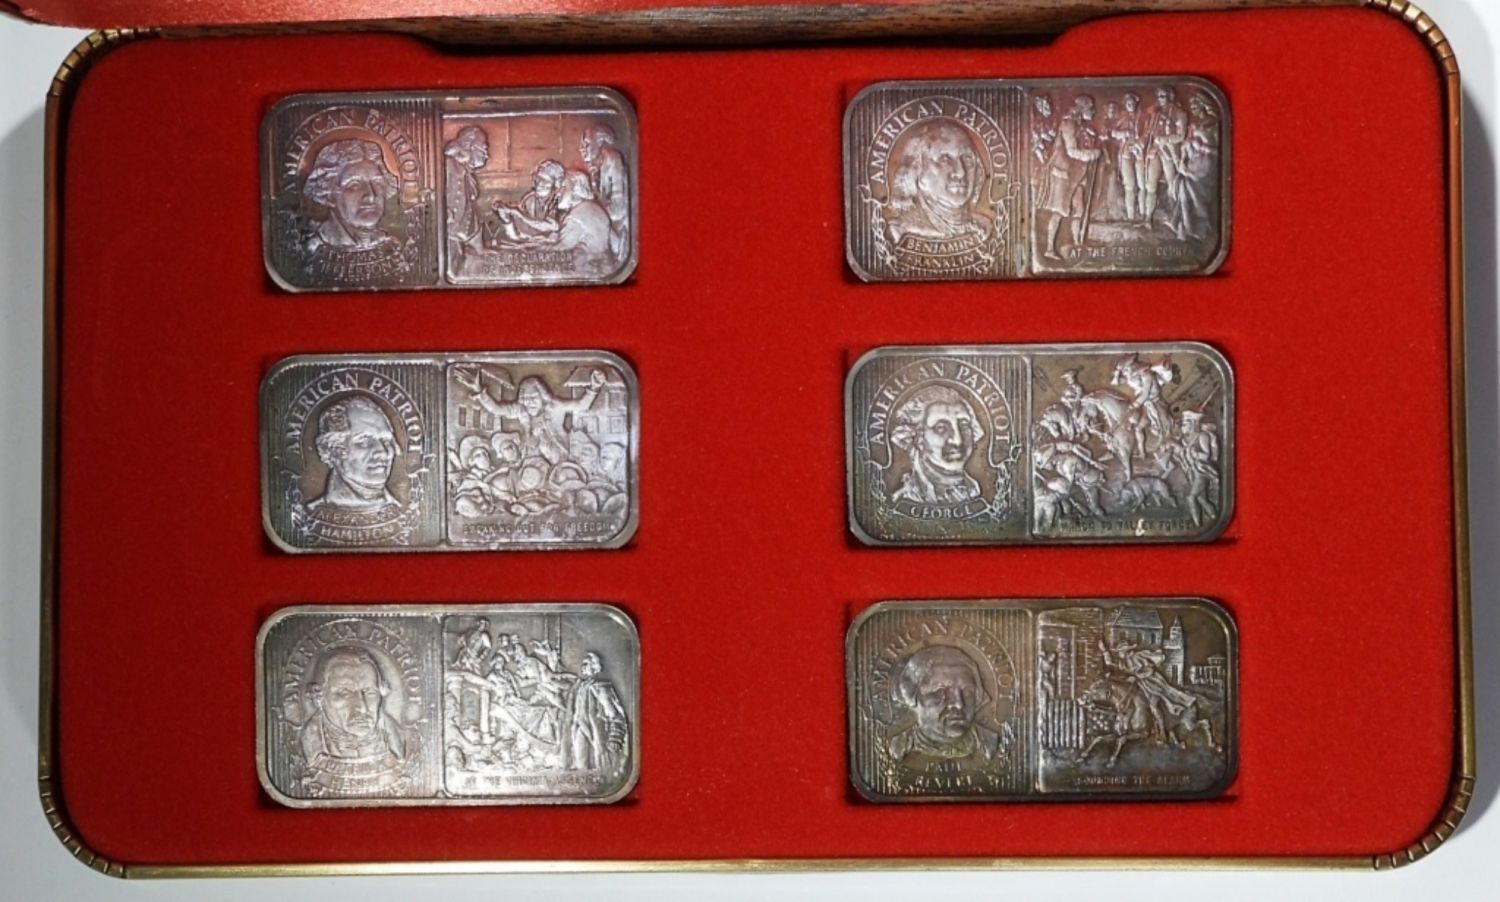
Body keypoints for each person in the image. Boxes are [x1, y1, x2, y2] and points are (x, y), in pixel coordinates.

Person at [299, 649, 413, 794]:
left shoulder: (399, 740)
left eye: (370, 692)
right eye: (345, 693)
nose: (362, 707)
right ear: (319, 697)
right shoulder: (310, 743)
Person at [887, 645, 1001, 767]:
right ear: (912, 696)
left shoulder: (990, 742)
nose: (958, 704)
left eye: (968, 692)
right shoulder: (899, 746)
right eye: (940, 692)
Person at [467, 370, 605, 470]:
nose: (529, 403)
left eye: (533, 397)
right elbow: (496, 409)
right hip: (531, 466)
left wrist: (595, 387)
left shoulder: (554, 407)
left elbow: (581, 405)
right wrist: (479, 391)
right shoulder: (521, 410)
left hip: (558, 460)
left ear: (543, 396)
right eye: (526, 399)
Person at [885, 120, 993, 244]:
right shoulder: (900, 231)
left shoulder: (985, 227)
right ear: (917, 168)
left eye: (967, 159)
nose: (960, 172)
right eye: (944, 160)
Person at [889, 383, 986, 505]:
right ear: (918, 438)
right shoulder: (905, 498)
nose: (957, 440)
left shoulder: (975, 491)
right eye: (941, 428)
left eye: (964, 425)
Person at [302, 139, 401, 253]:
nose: (371, 196)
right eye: (354, 185)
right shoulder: (314, 247)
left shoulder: (390, 244)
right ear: (329, 195)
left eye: (377, 183)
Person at [1035, 94, 1102, 261]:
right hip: (1064, 174)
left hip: (1077, 174)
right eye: (1091, 108)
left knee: (1079, 209)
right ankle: (1050, 248)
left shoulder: (1080, 125)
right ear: (1082, 108)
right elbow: (1072, 151)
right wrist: (1091, 154)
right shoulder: (1069, 124)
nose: (1094, 111)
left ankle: (1078, 243)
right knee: (1059, 211)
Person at [310, 396, 400, 517]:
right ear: (335, 449)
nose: (383, 452)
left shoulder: (407, 509)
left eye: (387, 441)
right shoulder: (310, 512)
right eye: (365, 441)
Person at [565, 652, 629, 773]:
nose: (582, 667)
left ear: (594, 667)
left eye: (586, 664)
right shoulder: (581, 687)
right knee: (580, 762)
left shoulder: (600, 688)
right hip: (580, 726)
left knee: (600, 763)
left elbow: (614, 714)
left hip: (596, 730)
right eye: (583, 664)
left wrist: (615, 737)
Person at [1172, 93, 1221, 240]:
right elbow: (1185, 146)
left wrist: (1203, 148)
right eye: (1192, 106)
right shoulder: (1194, 126)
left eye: (1195, 106)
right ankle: (1186, 226)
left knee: (1190, 184)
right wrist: (1182, 160)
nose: (1193, 109)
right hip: (1193, 164)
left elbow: (1221, 150)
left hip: (1207, 166)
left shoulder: (1214, 125)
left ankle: (1200, 226)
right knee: (1182, 184)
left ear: (1203, 106)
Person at [580, 124, 631, 261]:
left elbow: (619, 209)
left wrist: (592, 209)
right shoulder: (593, 168)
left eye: (587, 144)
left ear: (600, 143)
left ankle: (617, 245)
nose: (582, 149)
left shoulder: (613, 160)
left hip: (620, 221)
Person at [444, 126, 490, 270]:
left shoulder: (466, 171)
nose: (486, 154)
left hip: (462, 235)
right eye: (483, 148)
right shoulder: (448, 165)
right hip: (449, 236)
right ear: (469, 146)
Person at [1141, 85, 1188, 224]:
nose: (1160, 99)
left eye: (1163, 96)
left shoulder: (1179, 113)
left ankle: (1175, 218)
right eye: (1158, 96)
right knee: (1150, 184)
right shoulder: (1155, 114)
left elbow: (1181, 136)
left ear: (1170, 96)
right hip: (1155, 151)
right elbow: (1149, 132)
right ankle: (1148, 218)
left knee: (1172, 185)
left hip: (1170, 153)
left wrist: (1165, 140)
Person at [493, 158, 566, 242]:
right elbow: (520, 235)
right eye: (538, 178)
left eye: (545, 181)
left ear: (555, 184)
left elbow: (551, 227)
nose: (539, 183)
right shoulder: (529, 199)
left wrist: (518, 213)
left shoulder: (559, 201)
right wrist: (507, 220)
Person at [1108, 92, 1146, 222]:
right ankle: (1131, 215)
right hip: (1126, 153)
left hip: (1140, 153)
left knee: (1142, 183)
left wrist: (1140, 143)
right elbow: (1113, 132)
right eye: (1128, 103)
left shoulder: (1143, 117)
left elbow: (1148, 133)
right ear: (1125, 105)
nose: (1131, 105)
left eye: (1133, 102)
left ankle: (1143, 213)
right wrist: (1124, 133)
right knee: (1129, 185)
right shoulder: (1121, 117)